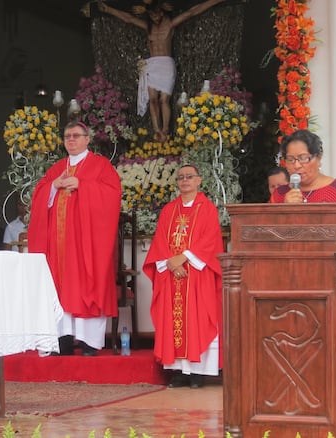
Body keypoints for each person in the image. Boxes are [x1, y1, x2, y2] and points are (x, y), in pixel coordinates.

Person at [28, 121, 122, 356]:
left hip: (86, 243)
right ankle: (63, 338)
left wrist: (83, 185)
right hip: (58, 246)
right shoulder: (57, 167)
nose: (71, 140)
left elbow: (112, 195)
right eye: (67, 136)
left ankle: (90, 341)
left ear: (87, 139)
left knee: (86, 284)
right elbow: (39, 196)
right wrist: (53, 186)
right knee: (59, 287)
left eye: (76, 136)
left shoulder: (100, 166)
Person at [98, 0, 226, 141]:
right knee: (153, 100)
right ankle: (157, 130)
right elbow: (129, 19)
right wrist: (109, 10)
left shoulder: (170, 24)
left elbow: (192, 12)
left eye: (158, 14)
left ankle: (165, 130)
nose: (156, 18)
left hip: (166, 64)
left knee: (164, 100)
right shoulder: (148, 27)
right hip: (152, 65)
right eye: (153, 15)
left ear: (163, 11)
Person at [143, 164, 223, 388]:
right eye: (181, 177)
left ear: (199, 180)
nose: (185, 180)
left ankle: (197, 373)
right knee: (173, 322)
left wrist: (184, 258)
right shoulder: (169, 210)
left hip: (197, 274)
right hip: (172, 275)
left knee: (197, 319)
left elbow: (210, 240)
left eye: (189, 177)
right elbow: (160, 239)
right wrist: (171, 262)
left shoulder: (207, 209)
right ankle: (178, 372)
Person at [269, 130, 336, 204]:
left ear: (318, 157)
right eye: (290, 159)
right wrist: (284, 210)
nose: (296, 166)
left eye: (303, 158)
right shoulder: (279, 194)